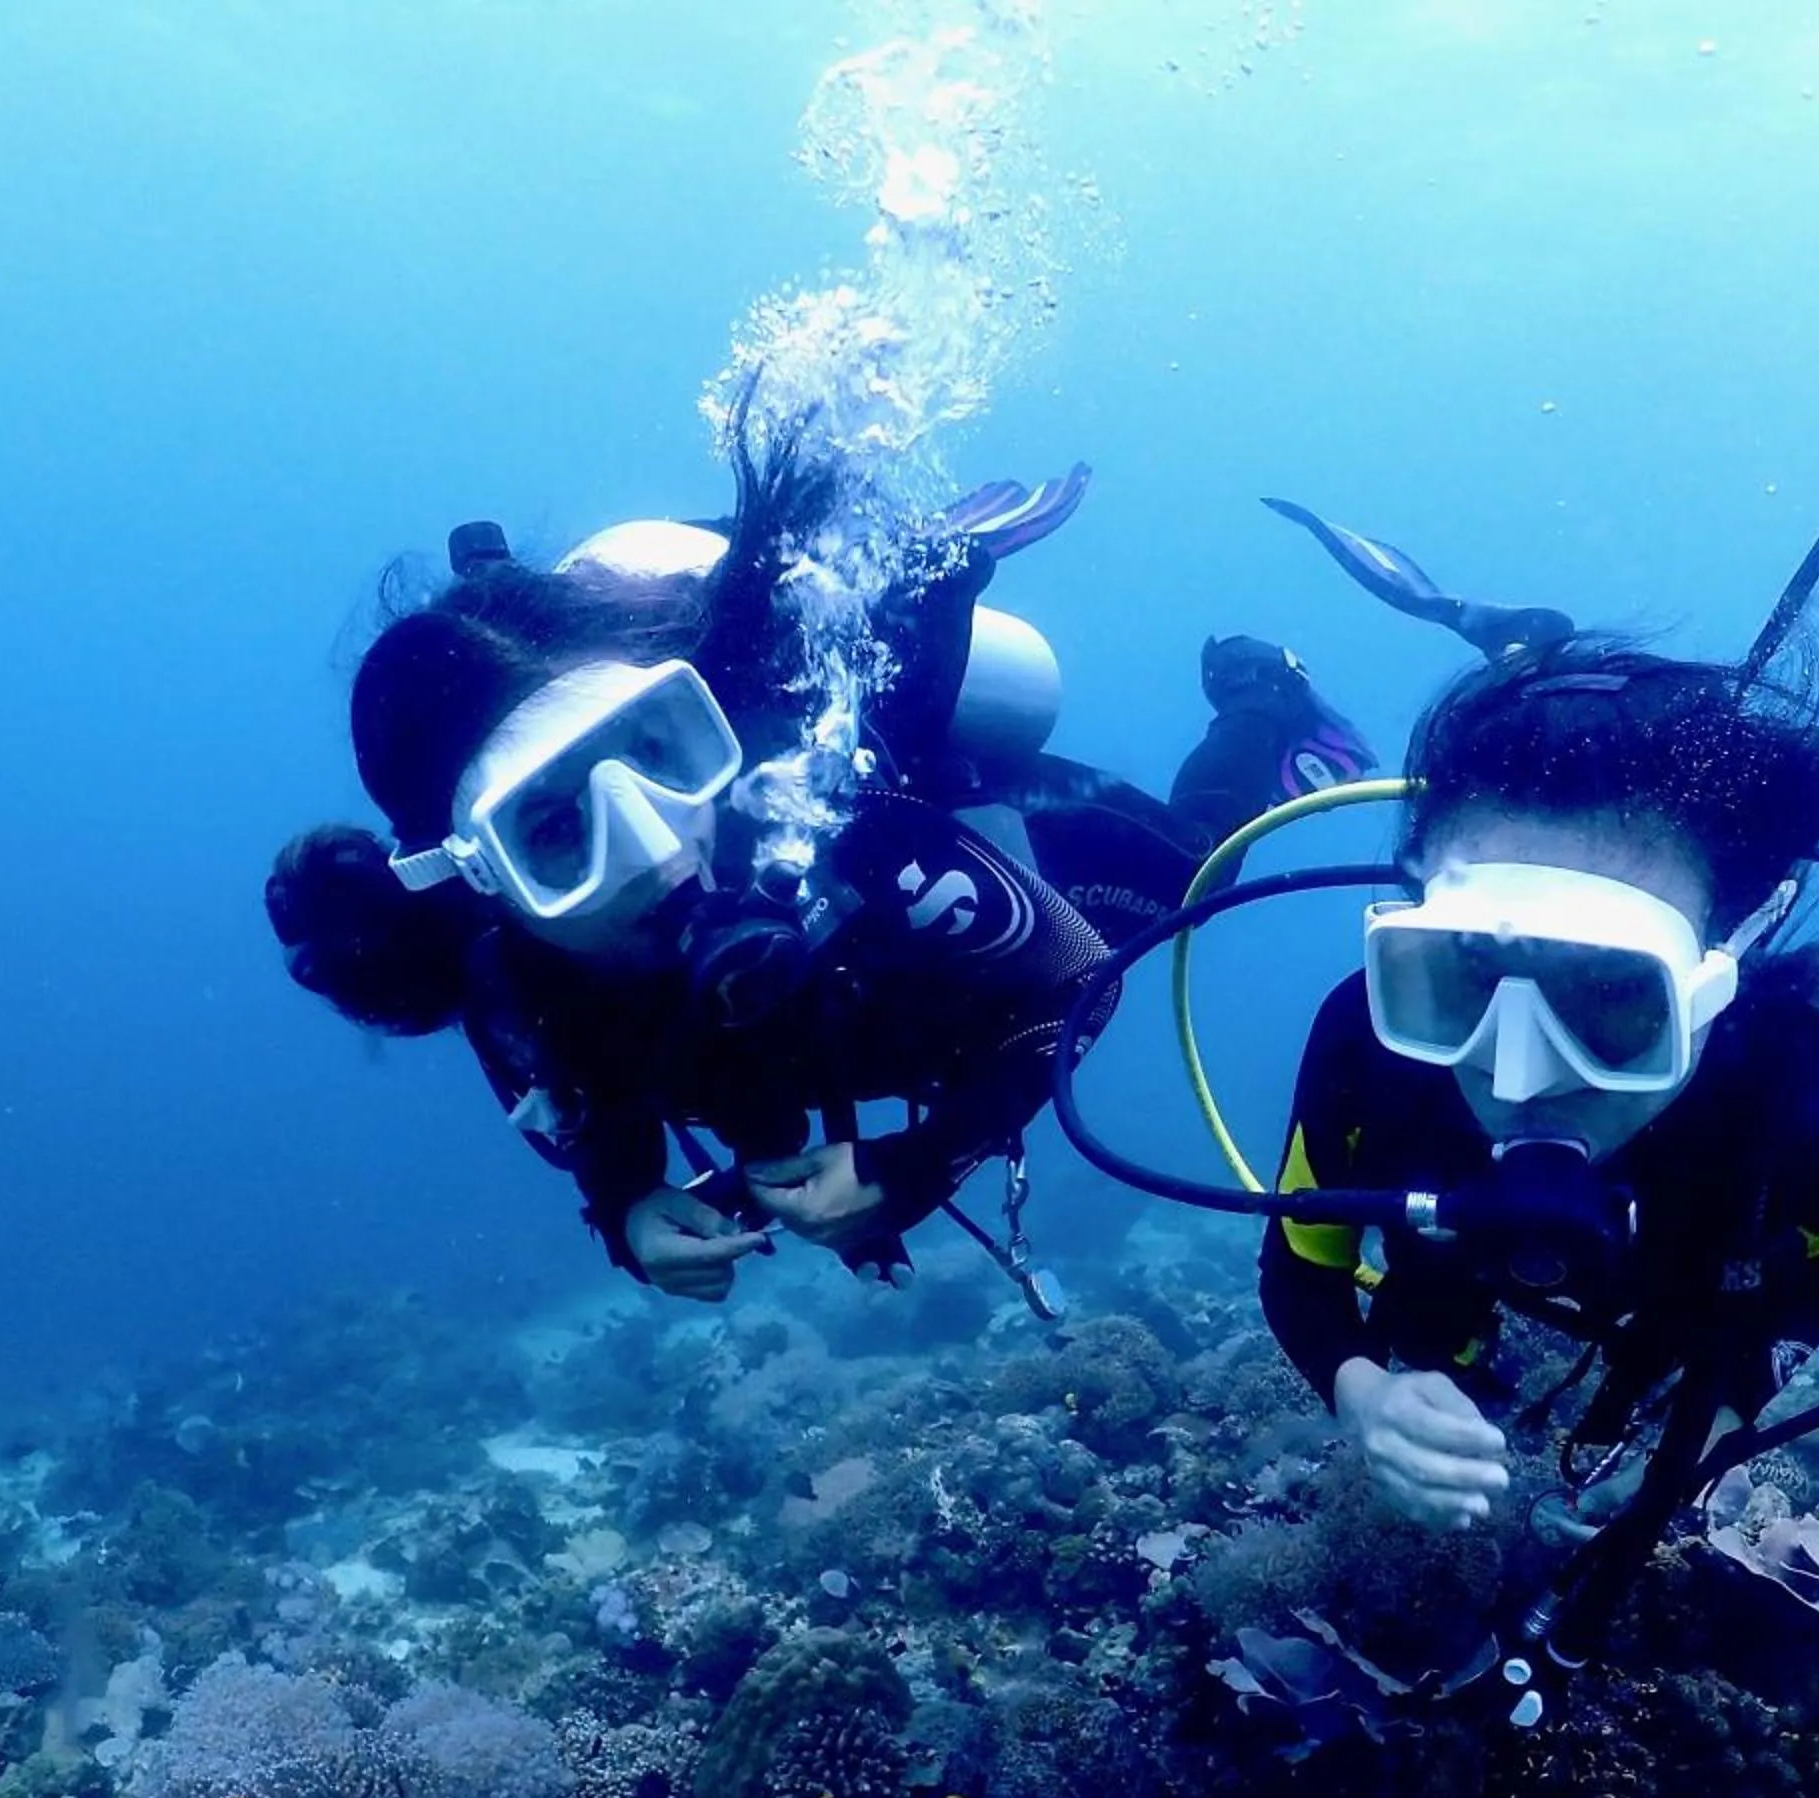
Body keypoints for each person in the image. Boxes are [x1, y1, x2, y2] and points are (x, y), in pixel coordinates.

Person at [266, 434, 1355, 1305]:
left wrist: (921, 1166)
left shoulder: (829, 818)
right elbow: (586, 1117)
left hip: (957, 877)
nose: (651, 847)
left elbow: (1079, 980)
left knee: (1187, 879)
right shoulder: (497, 968)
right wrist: (629, 1215)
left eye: (654, 755)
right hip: (838, 1039)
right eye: (550, 832)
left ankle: (1263, 697)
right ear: (476, 874)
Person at [1256, 627, 1819, 1530]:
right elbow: (1300, 1269)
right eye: (1468, 974)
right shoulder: (1368, 1044)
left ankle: (1533, 645)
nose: (1518, 1072)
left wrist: (1724, 1412)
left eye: (1612, 994)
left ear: (1725, 963)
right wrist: (1361, 1391)